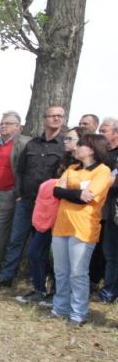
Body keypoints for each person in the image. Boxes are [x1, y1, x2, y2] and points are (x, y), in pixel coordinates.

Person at [0, 105, 66, 287]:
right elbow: (21, 171)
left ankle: (36, 280)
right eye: (52, 116)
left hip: (49, 204)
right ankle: (7, 277)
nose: (56, 119)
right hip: (26, 200)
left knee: (42, 245)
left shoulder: (64, 146)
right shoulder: (32, 144)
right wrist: (18, 194)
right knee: (16, 240)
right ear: (44, 119)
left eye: (60, 116)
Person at [17, 126, 87, 304]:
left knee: (59, 258)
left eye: (70, 139)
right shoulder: (64, 162)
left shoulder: (86, 168)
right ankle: (39, 289)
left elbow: (77, 192)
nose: (65, 142)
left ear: (83, 143)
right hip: (49, 213)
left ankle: (57, 294)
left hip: (69, 217)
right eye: (65, 139)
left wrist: (62, 191)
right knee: (35, 251)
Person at [49, 133, 112, 326]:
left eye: (81, 145)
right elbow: (56, 191)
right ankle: (60, 307)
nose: (76, 148)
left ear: (92, 149)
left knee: (78, 272)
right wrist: (75, 193)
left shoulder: (102, 171)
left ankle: (78, 313)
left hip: (83, 228)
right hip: (61, 225)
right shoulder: (71, 168)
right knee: (60, 270)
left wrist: (68, 193)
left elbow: (89, 196)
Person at [0, 111, 31, 277]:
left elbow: (24, 169)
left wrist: (19, 190)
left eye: (8, 123)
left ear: (18, 126)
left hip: (9, 193)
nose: (3, 126)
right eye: (1, 124)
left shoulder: (23, 143)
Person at [96, 117, 118, 303]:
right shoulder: (102, 153)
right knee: (110, 252)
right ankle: (108, 290)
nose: (100, 134)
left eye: (104, 131)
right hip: (110, 211)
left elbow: (111, 181)